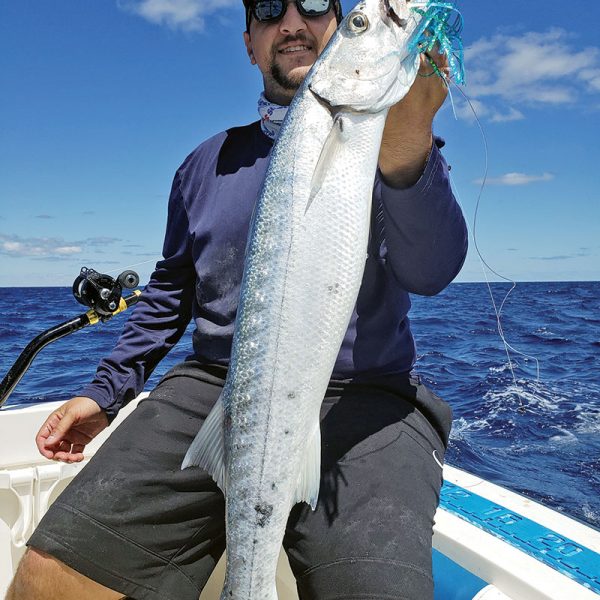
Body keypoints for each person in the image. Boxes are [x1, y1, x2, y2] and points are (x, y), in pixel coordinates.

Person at [7, 0, 467, 598]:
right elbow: (171, 291)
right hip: (215, 385)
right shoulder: (204, 164)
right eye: (271, 11)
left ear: (333, 28)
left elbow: (431, 270)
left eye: (321, 8)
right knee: (50, 577)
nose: (294, 23)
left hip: (367, 393)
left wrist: (409, 148)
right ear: (250, 42)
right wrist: (106, 392)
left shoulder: (389, 139)